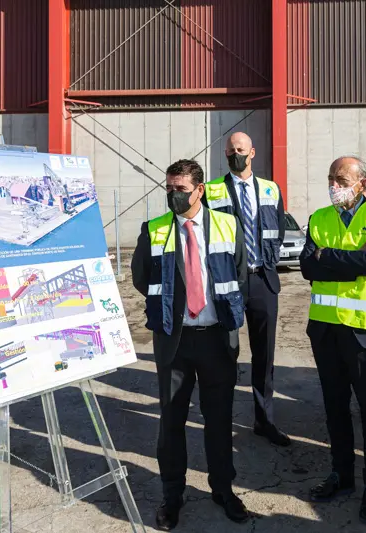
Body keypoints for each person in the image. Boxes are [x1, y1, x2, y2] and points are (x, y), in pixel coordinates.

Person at [131, 159, 249, 530]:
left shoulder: (227, 224)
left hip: (217, 339)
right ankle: (172, 495)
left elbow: (240, 274)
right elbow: (141, 278)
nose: (174, 195)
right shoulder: (153, 230)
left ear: (199, 190)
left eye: (180, 189)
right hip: (174, 342)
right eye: (169, 189)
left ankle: (223, 489)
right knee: (171, 422)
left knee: (219, 419)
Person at [300, 156, 366, 523]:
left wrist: (326, 256)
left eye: (342, 179)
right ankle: (341, 474)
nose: (335, 185)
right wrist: (346, 257)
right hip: (325, 329)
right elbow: (306, 268)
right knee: (334, 407)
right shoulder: (319, 218)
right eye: (331, 178)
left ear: (362, 183)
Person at [203, 132, 290, 446]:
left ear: (252, 152)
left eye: (240, 149)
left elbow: (278, 228)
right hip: (228, 283)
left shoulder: (270, 188)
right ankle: (220, 422)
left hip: (263, 280)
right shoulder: (211, 190)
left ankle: (264, 420)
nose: (234, 154)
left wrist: (267, 259)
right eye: (229, 150)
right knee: (225, 355)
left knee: (263, 356)